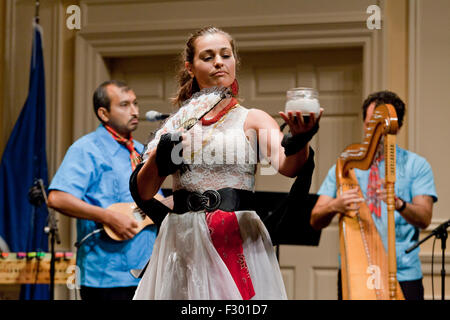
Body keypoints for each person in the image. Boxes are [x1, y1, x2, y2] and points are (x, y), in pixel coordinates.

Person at [129, 26, 322, 300]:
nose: (219, 61)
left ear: (234, 62)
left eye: (225, 55)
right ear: (190, 68)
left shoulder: (252, 119)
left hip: (237, 237)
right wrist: (161, 157)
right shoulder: (175, 125)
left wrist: (301, 140)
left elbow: (288, 166)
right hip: (184, 240)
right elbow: (145, 192)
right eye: (207, 57)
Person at [310, 90, 438, 300]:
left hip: (404, 275)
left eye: (381, 128)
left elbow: (424, 218)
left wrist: (399, 204)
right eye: (370, 125)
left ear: (397, 128)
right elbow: (315, 218)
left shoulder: (417, 166)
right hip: (357, 271)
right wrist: (335, 205)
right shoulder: (345, 167)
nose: (375, 132)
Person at [48, 80, 161, 300]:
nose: (135, 111)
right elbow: (57, 198)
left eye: (136, 104)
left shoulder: (143, 151)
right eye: (125, 105)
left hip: (147, 273)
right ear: (104, 113)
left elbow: (156, 203)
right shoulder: (86, 148)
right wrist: (108, 217)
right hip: (105, 277)